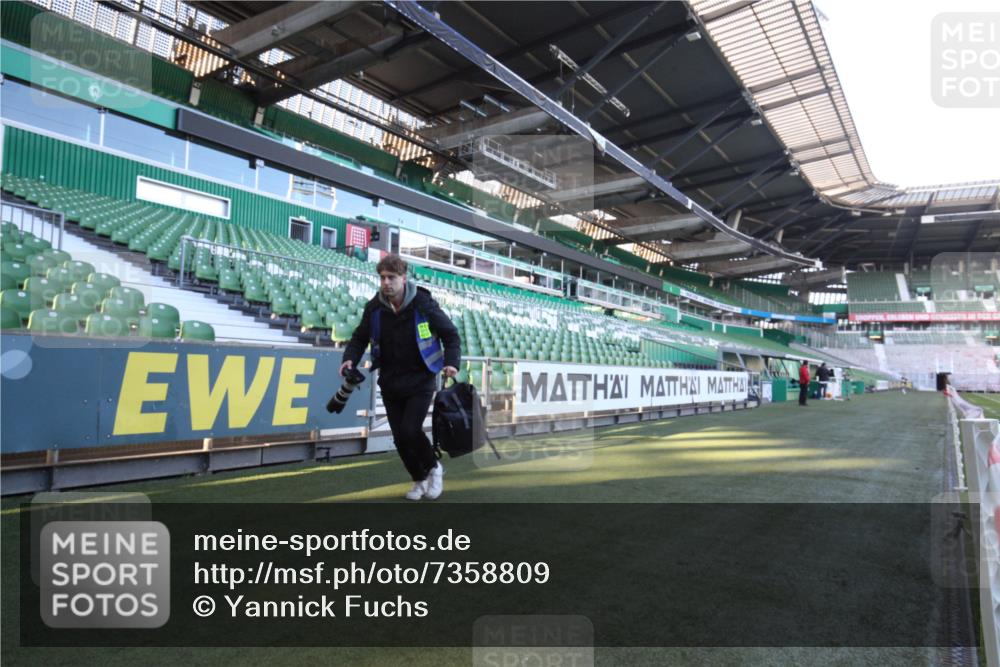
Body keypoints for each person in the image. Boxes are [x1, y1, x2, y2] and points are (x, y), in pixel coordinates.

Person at [341, 254, 461, 501]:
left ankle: (434, 469)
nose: (386, 283)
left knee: (409, 430)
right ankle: (418, 480)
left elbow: (451, 335)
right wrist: (349, 357)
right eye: (382, 278)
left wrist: (451, 363)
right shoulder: (375, 307)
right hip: (390, 380)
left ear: (403, 278)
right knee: (399, 437)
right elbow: (359, 337)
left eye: (391, 277)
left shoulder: (423, 304)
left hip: (421, 379)